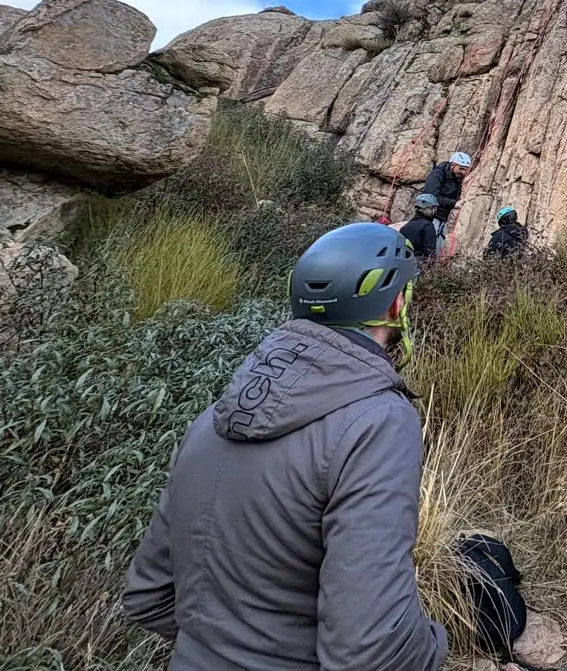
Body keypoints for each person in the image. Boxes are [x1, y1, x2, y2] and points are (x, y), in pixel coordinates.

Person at [124, 223, 446, 670]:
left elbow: (148, 596)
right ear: (395, 306)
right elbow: (368, 650)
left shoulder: (215, 417)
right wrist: (435, 646)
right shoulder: (378, 423)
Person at [420, 151, 472, 238]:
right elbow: (430, 196)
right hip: (431, 216)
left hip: (444, 219)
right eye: (461, 168)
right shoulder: (438, 174)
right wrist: (454, 203)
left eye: (466, 169)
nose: (463, 172)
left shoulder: (457, 177)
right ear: (452, 165)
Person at [399, 192, 440, 262]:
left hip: (404, 265)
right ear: (428, 210)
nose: (435, 212)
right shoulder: (428, 226)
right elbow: (430, 253)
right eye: (434, 209)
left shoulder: (405, 227)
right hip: (418, 266)